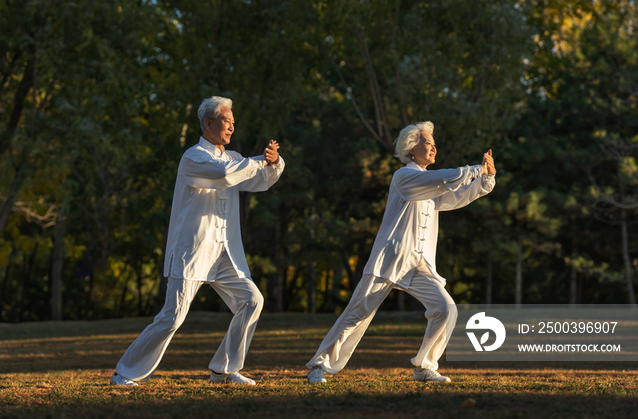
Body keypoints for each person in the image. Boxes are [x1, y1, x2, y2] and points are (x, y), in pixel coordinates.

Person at [111, 96, 284, 386]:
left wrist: (274, 162)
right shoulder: (193, 157)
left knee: (252, 300)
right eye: (226, 120)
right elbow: (223, 176)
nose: (231, 126)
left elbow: (260, 181)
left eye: (232, 121)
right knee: (172, 317)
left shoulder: (233, 158)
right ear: (208, 123)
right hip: (191, 251)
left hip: (224, 252)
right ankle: (124, 373)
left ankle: (224, 370)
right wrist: (257, 161)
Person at [305, 121, 495, 384]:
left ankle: (425, 367)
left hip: (419, 265)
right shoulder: (404, 177)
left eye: (434, 144)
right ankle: (318, 365)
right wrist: (473, 169)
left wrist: (485, 178)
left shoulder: (432, 188)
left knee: (446, 308)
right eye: (428, 143)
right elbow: (441, 180)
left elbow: (458, 195)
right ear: (411, 148)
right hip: (389, 261)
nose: (433, 147)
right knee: (356, 315)